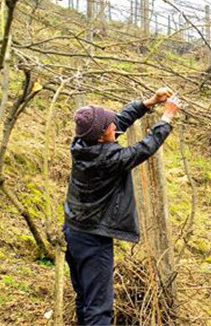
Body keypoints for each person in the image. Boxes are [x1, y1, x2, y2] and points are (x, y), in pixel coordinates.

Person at [63, 88, 181, 326]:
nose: (114, 126)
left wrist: (149, 102)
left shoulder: (82, 142)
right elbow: (145, 148)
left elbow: (118, 121)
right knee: (98, 308)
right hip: (94, 238)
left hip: (75, 230)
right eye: (109, 126)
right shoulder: (107, 159)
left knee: (85, 297)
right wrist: (166, 118)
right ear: (101, 136)